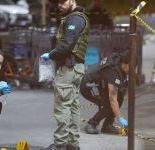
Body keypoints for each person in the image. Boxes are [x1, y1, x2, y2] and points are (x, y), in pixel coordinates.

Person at [41, 0, 89, 150]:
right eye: (57, 3)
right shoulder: (78, 17)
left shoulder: (74, 19)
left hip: (68, 68)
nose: (59, 5)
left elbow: (67, 44)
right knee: (73, 106)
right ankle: (72, 143)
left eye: (62, 2)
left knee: (62, 106)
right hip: (76, 67)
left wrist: (51, 55)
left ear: (72, 1)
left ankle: (60, 144)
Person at [80, 51, 131, 135]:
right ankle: (91, 124)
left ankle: (107, 125)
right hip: (88, 86)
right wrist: (120, 118)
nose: (133, 70)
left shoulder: (118, 60)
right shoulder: (113, 72)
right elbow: (112, 99)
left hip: (98, 84)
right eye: (131, 67)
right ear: (125, 64)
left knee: (119, 97)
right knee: (109, 103)